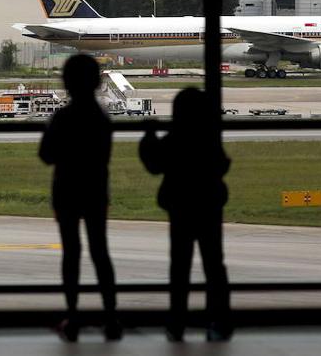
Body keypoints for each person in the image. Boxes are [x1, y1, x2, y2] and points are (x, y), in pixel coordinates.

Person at [38, 54, 121, 342]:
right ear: (98, 82)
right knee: (101, 252)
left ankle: (72, 316)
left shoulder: (63, 117)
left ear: (66, 83)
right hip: (96, 189)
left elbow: (46, 155)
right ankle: (111, 317)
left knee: (71, 254)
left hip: (67, 190)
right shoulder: (102, 118)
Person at [139, 87, 232, 342]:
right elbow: (223, 164)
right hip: (209, 206)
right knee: (214, 266)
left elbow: (154, 164)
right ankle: (220, 321)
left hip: (180, 208)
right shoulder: (208, 139)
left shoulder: (175, 139)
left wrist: (148, 135)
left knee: (179, 268)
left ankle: (177, 323)